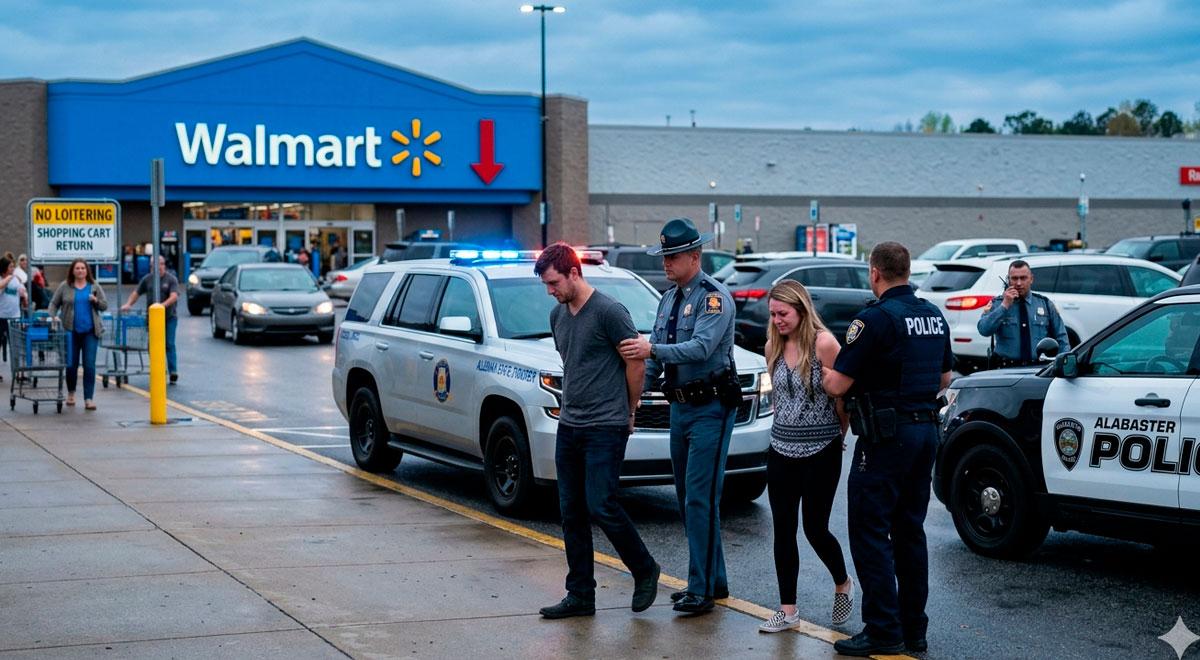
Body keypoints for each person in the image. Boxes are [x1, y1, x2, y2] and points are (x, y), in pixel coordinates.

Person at [821, 242, 953, 657]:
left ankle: (882, 629)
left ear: (875, 273)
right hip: (924, 432)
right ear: (907, 271)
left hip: (885, 437)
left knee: (870, 531)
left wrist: (817, 367)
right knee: (910, 531)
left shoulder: (873, 319)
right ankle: (914, 630)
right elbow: (945, 378)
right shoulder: (933, 315)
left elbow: (837, 385)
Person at [617, 217, 738, 615]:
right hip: (681, 408)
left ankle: (700, 588)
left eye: (673, 256)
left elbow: (701, 348)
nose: (667, 263)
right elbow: (655, 360)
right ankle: (713, 580)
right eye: (664, 255)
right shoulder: (669, 298)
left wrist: (651, 352)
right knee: (688, 499)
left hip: (710, 408)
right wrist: (633, 400)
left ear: (695, 256)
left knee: (700, 499)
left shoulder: (712, 297)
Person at [534, 243, 661, 620]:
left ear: (574, 273)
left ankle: (645, 569)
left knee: (601, 503)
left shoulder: (609, 311)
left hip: (606, 424)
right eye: (546, 284)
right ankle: (580, 595)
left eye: (554, 282)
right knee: (570, 510)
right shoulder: (558, 315)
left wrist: (630, 409)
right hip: (570, 424)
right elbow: (574, 365)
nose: (550, 291)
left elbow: (635, 364)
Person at [758, 280, 853, 633]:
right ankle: (788, 609)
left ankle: (843, 582)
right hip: (781, 449)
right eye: (773, 314)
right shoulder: (773, 345)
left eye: (783, 313)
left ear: (801, 309)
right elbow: (780, 398)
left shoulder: (824, 344)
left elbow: (842, 397)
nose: (778, 320)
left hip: (821, 450)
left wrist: (839, 436)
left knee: (815, 529)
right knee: (783, 529)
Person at [976, 259, 1068, 368]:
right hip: (1005, 369)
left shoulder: (1045, 304)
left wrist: (1064, 365)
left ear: (1031, 279)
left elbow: (1062, 338)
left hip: (1038, 369)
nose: (1019, 283)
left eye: (1023, 278)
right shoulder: (998, 304)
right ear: (1008, 280)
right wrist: (1005, 306)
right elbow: (984, 330)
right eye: (1014, 278)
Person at [49, 259, 107, 410]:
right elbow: (53, 303)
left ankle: (89, 398)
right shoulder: (65, 286)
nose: (80, 271)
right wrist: (53, 316)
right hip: (70, 331)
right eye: (77, 268)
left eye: (83, 268)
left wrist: (95, 300)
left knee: (89, 365)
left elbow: (104, 305)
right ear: (72, 271)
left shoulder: (94, 286)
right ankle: (71, 393)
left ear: (87, 271)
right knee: (71, 364)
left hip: (90, 332)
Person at [121, 255, 181, 384]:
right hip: (152, 318)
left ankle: (173, 371)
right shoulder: (147, 280)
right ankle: (158, 369)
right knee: (153, 345)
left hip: (169, 317)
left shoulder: (171, 279)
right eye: (154, 264)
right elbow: (136, 293)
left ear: (164, 265)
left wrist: (162, 306)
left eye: (160, 264)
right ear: (151, 266)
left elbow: (174, 296)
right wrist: (128, 304)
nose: (158, 267)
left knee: (169, 344)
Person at [0, 256, 28, 380]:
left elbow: (22, 291)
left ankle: (18, 373)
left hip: (14, 317)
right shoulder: (3, 279)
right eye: (10, 266)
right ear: (4, 268)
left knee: (16, 345)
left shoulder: (15, 279)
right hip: (1, 316)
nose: (13, 269)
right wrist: (8, 279)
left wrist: (24, 295)